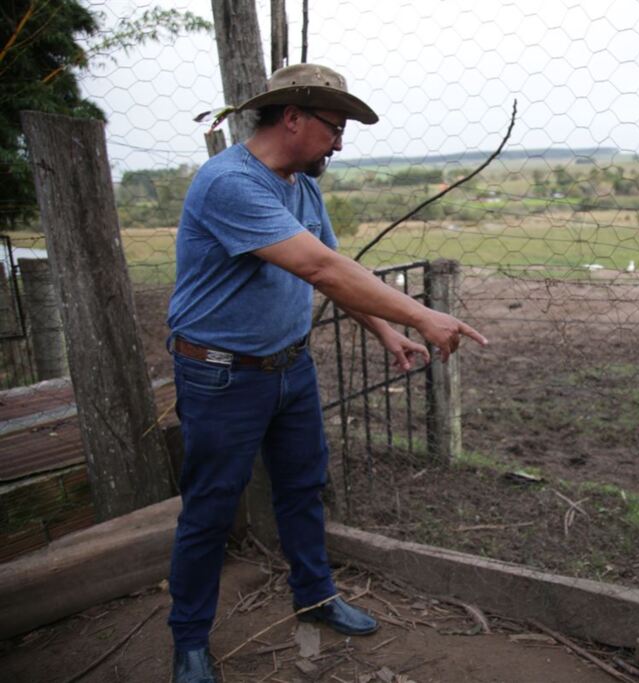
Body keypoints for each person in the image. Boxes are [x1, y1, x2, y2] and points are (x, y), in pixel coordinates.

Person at [165, 63, 486, 683]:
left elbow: (337, 266)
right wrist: (422, 316)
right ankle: (189, 642)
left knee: (304, 489)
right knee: (209, 510)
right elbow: (319, 269)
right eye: (334, 128)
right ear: (292, 117)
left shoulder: (301, 183)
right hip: (223, 376)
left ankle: (315, 596)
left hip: (290, 367)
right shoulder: (231, 182)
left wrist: (386, 329)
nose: (339, 143)